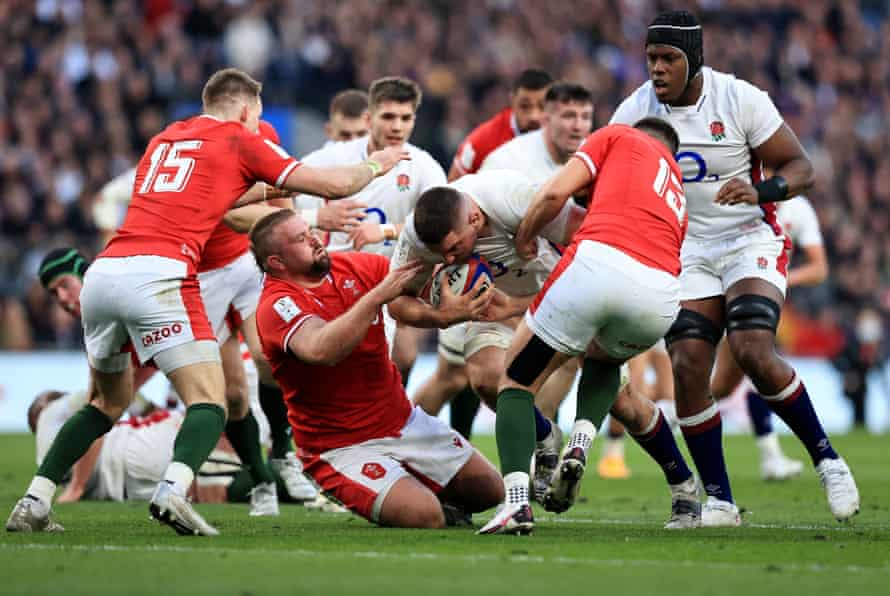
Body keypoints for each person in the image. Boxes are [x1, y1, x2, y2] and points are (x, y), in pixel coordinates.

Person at [6, 67, 408, 536]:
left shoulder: (167, 138)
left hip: (106, 271)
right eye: (256, 118)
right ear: (243, 111)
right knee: (212, 400)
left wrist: (283, 193)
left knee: (103, 403)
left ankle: (35, 500)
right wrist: (381, 163)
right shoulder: (238, 137)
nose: (257, 126)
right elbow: (336, 185)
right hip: (164, 273)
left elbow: (222, 197)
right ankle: (173, 491)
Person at [609, 10, 858, 525]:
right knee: (687, 367)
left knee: (750, 349)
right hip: (686, 250)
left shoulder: (739, 98)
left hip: (748, 239)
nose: (657, 68)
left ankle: (828, 461)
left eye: (669, 58)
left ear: (694, 59)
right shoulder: (634, 110)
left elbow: (802, 168)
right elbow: (610, 174)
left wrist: (762, 189)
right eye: (651, 57)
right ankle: (720, 499)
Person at [390, 161, 700, 529]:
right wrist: (443, 316)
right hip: (495, 311)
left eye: (456, 249)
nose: (450, 260)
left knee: (623, 401)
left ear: (475, 219)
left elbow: (593, 249)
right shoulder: (420, 234)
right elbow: (397, 303)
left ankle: (684, 485)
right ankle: (545, 435)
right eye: (442, 255)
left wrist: (523, 306)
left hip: (564, 299)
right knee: (489, 380)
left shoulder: (512, 199)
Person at [479, 118, 690, 535]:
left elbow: (555, 192)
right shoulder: (676, 188)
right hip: (661, 296)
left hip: (596, 265)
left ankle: (517, 504)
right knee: (605, 360)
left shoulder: (618, 135)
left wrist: (526, 236)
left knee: (515, 381)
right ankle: (587, 442)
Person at [252, 210, 504, 528]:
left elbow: (405, 297)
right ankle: (383, 492)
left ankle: (412, 491)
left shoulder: (354, 265)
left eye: (311, 231)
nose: (315, 239)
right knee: (425, 517)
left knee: (490, 491)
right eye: (301, 239)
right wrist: (375, 298)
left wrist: (445, 309)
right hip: (339, 446)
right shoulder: (276, 304)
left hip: (401, 421)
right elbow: (321, 349)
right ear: (276, 262)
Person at [413, 81, 589, 444]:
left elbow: (585, 228)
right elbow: (448, 205)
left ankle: (546, 444)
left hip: (550, 277)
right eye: (527, 107)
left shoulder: (591, 156)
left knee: (575, 365)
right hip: (481, 275)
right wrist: (443, 294)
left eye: (584, 116)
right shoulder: (501, 156)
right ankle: (416, 446)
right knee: (455, 376)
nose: (532, 116)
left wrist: (528, 236)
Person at [294, 77, 447, 384]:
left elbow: (442, 224)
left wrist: (386, 230)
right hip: (331, 276)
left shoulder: (424, 166)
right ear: (369, 118)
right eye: (388, 117)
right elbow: (280, 193)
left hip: (389, 278)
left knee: (403, 357)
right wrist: (316, 216)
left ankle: (388, 418)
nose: (397, 127)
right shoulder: (333, 158)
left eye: (405, 118)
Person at [710, 194, 829, 481]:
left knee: (724, 386)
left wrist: (777, 278)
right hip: (728, 291)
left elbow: (819, 268)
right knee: (752, 367)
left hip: (767, 298)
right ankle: (773, 457)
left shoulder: (799, 208)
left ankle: (667, 413)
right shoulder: (738, 198)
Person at [448, 69, 553, 181]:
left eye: (543, 107)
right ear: (512, 100)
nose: (534, 116)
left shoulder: (566, 141)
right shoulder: (480, 143)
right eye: (525, 106)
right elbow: (452, 190)